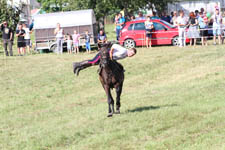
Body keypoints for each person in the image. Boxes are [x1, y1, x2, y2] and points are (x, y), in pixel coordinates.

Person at [72, 44, 137, 76]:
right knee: (93, 61)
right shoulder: (123, 51)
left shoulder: (125, 55)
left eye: (132, 55)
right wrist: (111, 56)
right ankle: (77, 64)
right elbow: (113, 46)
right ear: (129, 50)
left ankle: (79, 68)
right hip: (105, 54)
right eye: (131, 53)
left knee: (94, 64)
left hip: (108, 58)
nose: (131, 55)